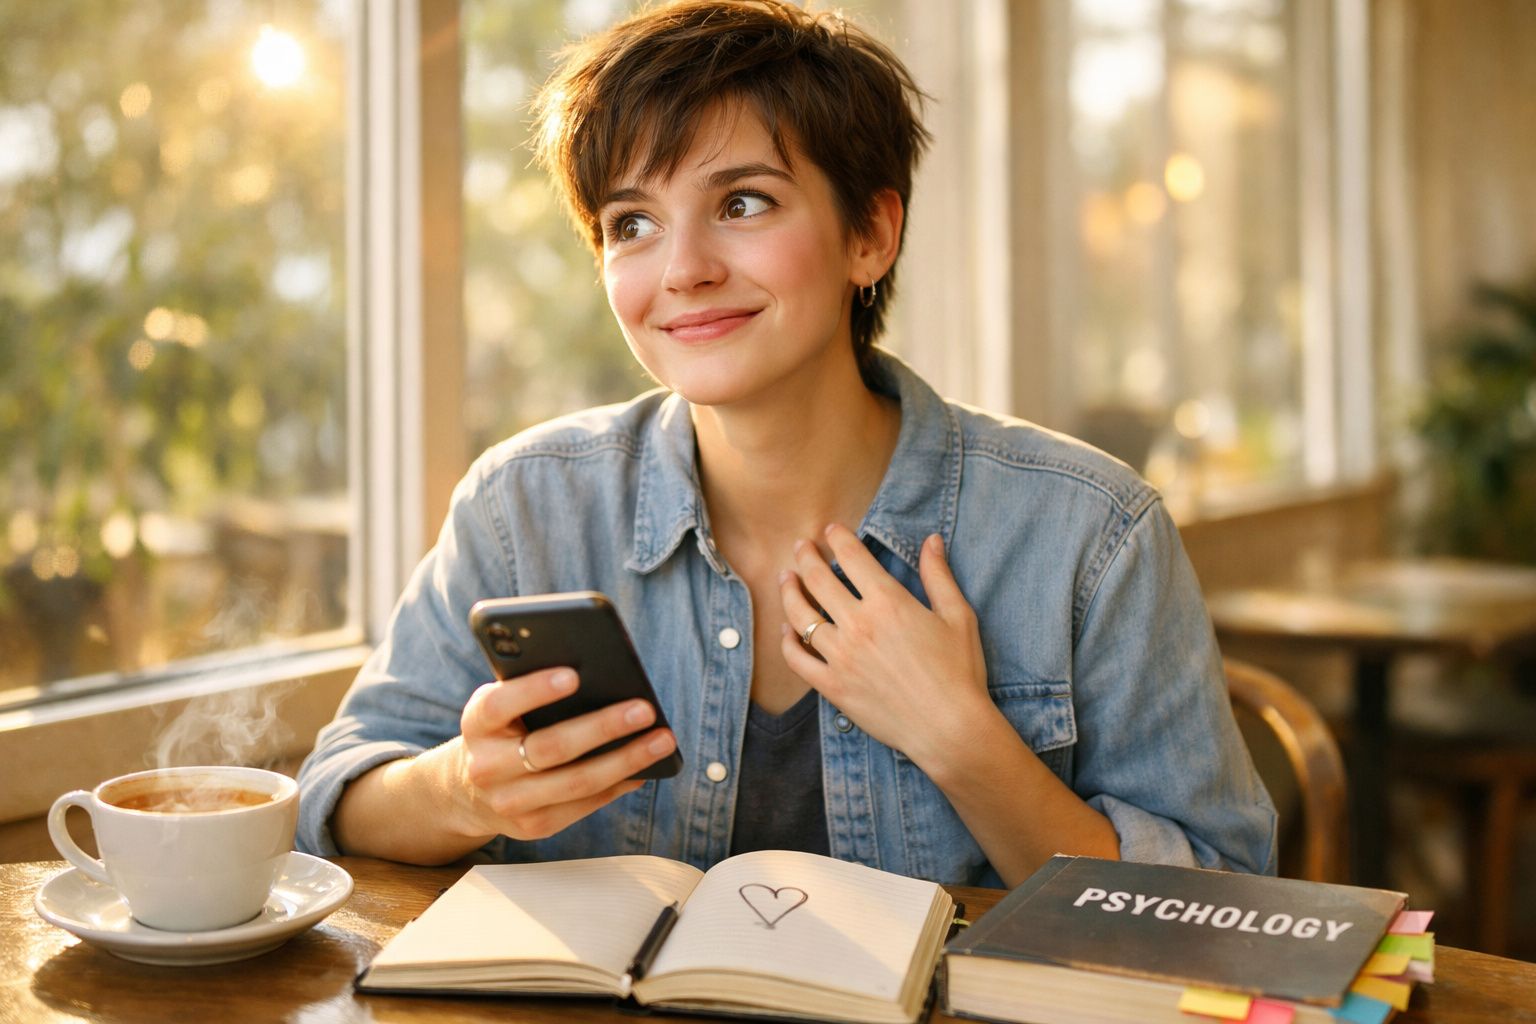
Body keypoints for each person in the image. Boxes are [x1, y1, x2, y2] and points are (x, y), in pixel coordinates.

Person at [297, 0, 1275, 888]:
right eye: (631, 222)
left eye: (743, 203)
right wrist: (464, 789)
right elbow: (338, 793)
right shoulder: (524, 506)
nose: (681, 269)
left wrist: (963, 739)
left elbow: (1226, 903)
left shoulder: (1088, 533)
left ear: (871, 235)